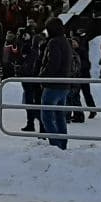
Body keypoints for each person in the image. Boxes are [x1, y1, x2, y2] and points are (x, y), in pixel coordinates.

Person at [38, 16, 74, 150]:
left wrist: (42, 76)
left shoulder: (54, 42)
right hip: (64, 83)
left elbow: (53, 63)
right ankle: (62, 144)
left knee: (46, 116)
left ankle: (56, 145)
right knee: (60, 116)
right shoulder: (65, 41)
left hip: (53, 84)